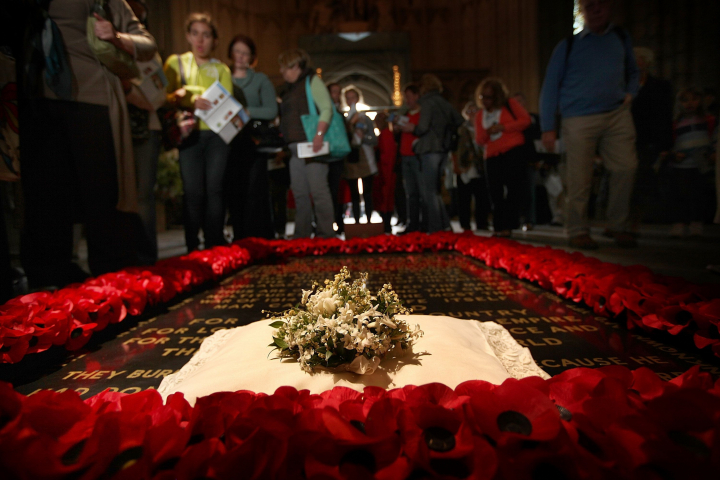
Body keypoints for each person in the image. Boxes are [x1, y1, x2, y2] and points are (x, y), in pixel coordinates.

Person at [19, 0, 156, 288]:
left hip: (94, 99)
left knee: (102, 196)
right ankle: (48, 280)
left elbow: (147, 44)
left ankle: (111, 281)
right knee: (46, 197)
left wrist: (117, 37)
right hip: (39, 97)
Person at [539, 0, 639, 249]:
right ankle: (577, 229)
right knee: (579, 176)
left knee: (626, 168)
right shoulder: (568, 45)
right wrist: (548, 127)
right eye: (589, 5)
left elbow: (633, 70)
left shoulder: (620, 37)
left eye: (601, 4)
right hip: (578, 118)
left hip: (616, 114)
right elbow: (550, 86)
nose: (596, 9)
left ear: (610, 6)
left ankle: (618, 224)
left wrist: (631, 92)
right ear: (581, 11)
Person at [164, 13, 233, 252]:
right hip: (189, 134)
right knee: (193, 192)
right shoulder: (176, 63)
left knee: (215, 189)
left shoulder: (221, 68)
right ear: (188, 36)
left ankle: (214, 244)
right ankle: (192, 246)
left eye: (206, 35)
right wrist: (191, 98)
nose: (200, 40)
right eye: (195, 33)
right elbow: (164, 96)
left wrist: (191, 93)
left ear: (214, 39)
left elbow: (225, 100)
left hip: (216, 135)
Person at [277, 49, 335, 238]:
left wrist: (319, 135)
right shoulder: (289, 88)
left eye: (285, 67)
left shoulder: (312, 82)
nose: (281, 71)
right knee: (300, 194)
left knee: (318, 191)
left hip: (312, 145)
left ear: (295, 66)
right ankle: (301, 235)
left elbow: (326, 108)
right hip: (295, 149)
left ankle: (326, 234)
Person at [225, 34, 278, 241]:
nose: (240, 56)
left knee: (255, 192)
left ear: (252, 57)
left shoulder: (260, 80)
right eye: (237, 51)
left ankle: (260, 238)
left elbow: (271, 110)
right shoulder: (222, 76)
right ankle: (239, 237)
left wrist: (246, 111)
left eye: (245, 53)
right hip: (228, 143)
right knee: (233, 191)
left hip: (253, 143)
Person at [125, 0, 164, 265]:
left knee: (143, 196)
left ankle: (146, 256)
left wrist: (127, 89)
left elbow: (156, 97)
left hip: (145, 129)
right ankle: (122, 255)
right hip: (115, 126)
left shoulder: (150, 54)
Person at [399, 74, 463, 233]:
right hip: (443, 149)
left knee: (430, 191)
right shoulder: (444, 102)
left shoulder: (427, 103)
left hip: (429, 150)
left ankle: (435, 228)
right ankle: (445, 225)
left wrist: (412, 128)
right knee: (436, 190)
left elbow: (422, 127)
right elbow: (459, 120)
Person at [475, 78, 531, 237]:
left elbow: (525, 121)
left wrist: (503, 127)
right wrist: (488, 132)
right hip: (492, 156)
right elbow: (479, 140)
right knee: (495, 192)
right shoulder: (480, 115)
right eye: (483, 97)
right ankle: (498, 226)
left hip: (512, 152)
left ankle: (509, 225)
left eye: (489, 97)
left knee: (514, 190)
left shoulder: (510, 105)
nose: (485, 101)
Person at [662, 87, 716, 237]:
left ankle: (696, 223)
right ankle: (679, 223)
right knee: (680, 194)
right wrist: (673, 154)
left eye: (694, 99)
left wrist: (713, 153)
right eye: (685, 100)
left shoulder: (708, 120)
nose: (690, 103)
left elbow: (713, 138)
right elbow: (669, 142)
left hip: (701, 163)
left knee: (699, 194)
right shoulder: (676, 123)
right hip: (681, 164)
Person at [630, 47, 673, 229]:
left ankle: (635, 220)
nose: (636, 63)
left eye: (640, 59)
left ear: (647, 63)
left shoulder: (660, 86)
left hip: (648, 139)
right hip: (626, 137)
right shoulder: (623, 85)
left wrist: (665, 145)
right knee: (623, 177)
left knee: (642, 180)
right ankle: (620, 219)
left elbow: (664, 116)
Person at [452, 101, 489, 231]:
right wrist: (457, 166)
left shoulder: (484, 127)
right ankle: (465, 224)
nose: (472, 114)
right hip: (465, 166)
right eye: (470, 111)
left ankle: (482, 223)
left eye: (475, 111)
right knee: (464, 198)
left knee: (481, 197)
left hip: (480, 166)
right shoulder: (461, 130)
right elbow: (455, 149)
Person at [344, 88, 378, 224]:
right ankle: (356, 222)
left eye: (353, 97)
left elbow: (373, 139)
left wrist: (362, 137)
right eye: (348, 97)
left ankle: (369, 221)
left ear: (357, 99)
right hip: (351, 159)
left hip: (365, 158)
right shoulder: (345, 119)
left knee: (367, 192)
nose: (350, 100)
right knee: (354, 194)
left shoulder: (365, 118)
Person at [396, 84, 423, 232]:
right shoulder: (405, 114)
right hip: (405, 156)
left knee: (421, 191)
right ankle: (412, 224)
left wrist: (412, 128)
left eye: (409, 96)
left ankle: (424, 222)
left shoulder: (423, 114)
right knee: (410, 193)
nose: (407, 100)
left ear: (417, 96)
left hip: (417, 156)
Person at [513, 92, 542, 230]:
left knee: (530, 192)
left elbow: (535, 141)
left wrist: (537, 159)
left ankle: (529, 220)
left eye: (520, 101)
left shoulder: (533, 119)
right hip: (514, 160)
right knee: (515, 192)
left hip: (529, 160)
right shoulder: (510, 120)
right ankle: (516, 218)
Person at [327, 81, 346, 233]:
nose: (337, 95)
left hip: (337, 156)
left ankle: (338, 222)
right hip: (325, 155)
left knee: (337, 191)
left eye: (338, 92)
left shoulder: (339, 112)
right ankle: (326, 223)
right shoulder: (324, 111)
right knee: (326, 192)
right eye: (334, 92)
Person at [373, 112, 397, 233]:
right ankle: (386, 224)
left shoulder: (386, 134)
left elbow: (387, 156)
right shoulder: (385, 134)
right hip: (385, 171)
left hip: (386, 172)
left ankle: (386, 224)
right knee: (385, 198)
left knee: (385, 198)